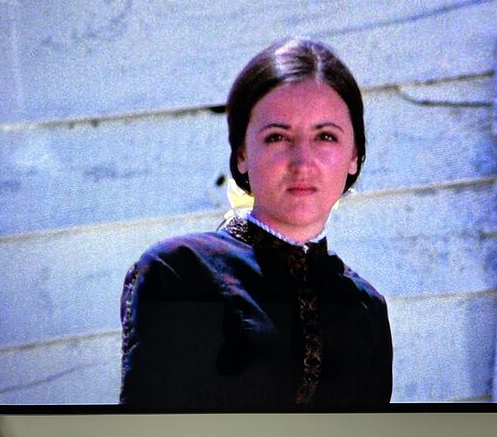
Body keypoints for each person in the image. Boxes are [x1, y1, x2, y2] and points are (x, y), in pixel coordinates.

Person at [119, 37, 393, 410]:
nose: (302, 162)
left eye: (325, 136)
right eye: (277, 137)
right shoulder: (181, 272)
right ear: (242, 155)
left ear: (354, 157)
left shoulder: (365, 308)